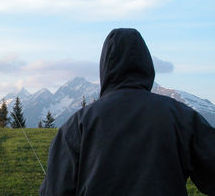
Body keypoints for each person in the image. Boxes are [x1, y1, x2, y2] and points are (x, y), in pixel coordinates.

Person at [40, 28, 215, 196]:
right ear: (147, 65)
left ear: (105, 67)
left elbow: (55, 191)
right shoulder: (182, 116)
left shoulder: (76, 125)